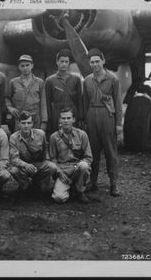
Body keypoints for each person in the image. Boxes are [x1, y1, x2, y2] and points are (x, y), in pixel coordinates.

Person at [83, 48, 122, 197]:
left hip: (107, 116)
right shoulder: (87, 80)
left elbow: (118, 102)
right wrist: (85, 120)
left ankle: (114, 184)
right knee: (92, 152)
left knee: (110, 151)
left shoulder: (113, 79)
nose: (95, 65)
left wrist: (119, 123)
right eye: (92, 62)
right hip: (92, 114)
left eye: (97, 61)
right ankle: (93, 182)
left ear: (103, 61)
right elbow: (85, 101)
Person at [9, 111, 59, 197]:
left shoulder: (40, 134)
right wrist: (25, 165)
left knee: (52, 167)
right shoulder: (13, 138)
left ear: (32, 124)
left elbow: (46, 149)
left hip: (38, 165)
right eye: (23, 123)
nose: (26, 126)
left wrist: (46, 160)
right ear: (19, 124)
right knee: (14, 170)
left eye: (29, 123)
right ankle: (26, 186)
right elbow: (14, 159)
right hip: (23, 166)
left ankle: (38, 184)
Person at [49, 108, 93, 203]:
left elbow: (88, 157)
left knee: (84, 166)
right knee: (59, 198)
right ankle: (69, 188)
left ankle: (80, 191)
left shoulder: (82, 135)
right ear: (59, 120)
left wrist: (79, 165)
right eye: (63, 118)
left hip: (77, 167)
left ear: (73, 119)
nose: (66, 121)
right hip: (63, 171)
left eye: (68, 118)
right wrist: (59, 172)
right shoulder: (54, 137)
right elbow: (53, 159)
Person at [45, 49, 84, 134]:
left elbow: (80, 100)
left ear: (69, 63)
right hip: (57, 113)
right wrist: (49, 118)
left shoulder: (76, 79)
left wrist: (81, 117)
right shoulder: (50, 80)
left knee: (74, 136)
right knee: (58, 137)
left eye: (66, 62)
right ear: (57, 62)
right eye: (61, 61)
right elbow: (48, 102)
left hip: (72, 112)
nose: (64, 64)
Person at [5, 54, 47, 132]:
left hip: (35, 119)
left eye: (27, 65)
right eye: (22, 66)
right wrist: (10, 108)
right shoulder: (13, 82)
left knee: (36, 141)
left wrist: (44, 121)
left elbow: (43, 103)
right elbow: (7, 98)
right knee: (19, 140)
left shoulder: (39, 82)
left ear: (32, 66)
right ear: (19, 67)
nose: (25, 68)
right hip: (20, 119)